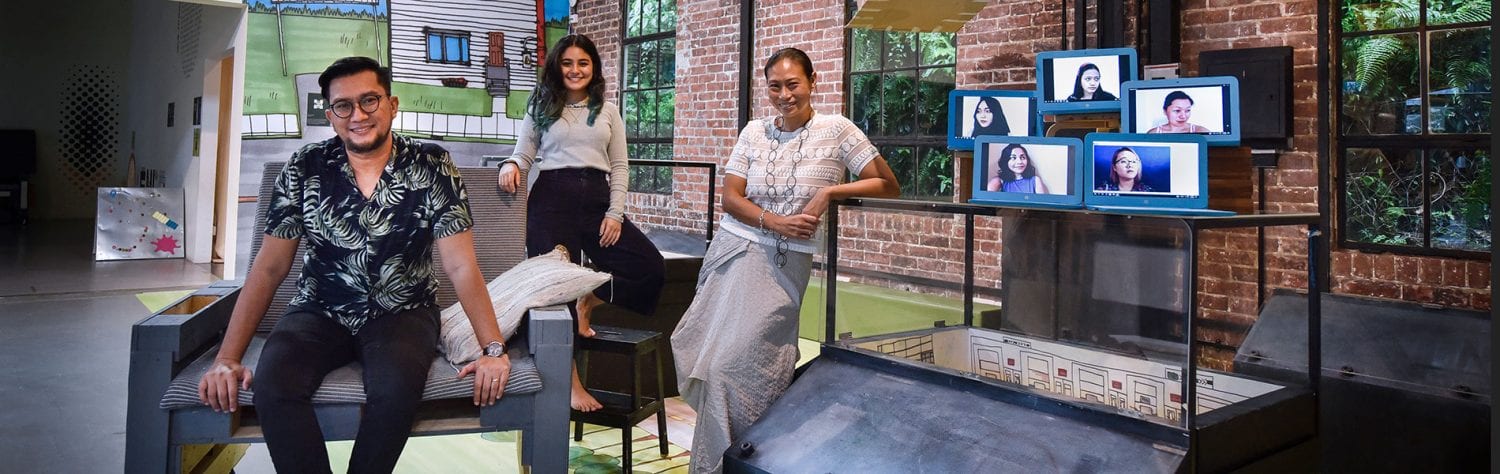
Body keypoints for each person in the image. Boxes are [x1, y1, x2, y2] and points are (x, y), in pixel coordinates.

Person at [197, 56, 512, 473]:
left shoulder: (433, 165)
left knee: (396, 389)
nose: (358, 115)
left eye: (369, 101)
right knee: (273, 387)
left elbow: (461, 267)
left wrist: (493, 349)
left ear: (392, 104)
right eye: (343, 106)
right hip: (318, 308)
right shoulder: (304, 167)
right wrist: (227, 358)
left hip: (403, 311)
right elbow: (269, 268)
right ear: (330, 115)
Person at [672, 47, 900, 474]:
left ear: (813, 81)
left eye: (792, 84)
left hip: (784, 266)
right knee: (713, 364)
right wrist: (775, 221)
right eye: (774, 86)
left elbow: (887, 183)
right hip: (735, 251)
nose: (784, 95)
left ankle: (739, 461)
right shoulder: (754, 132)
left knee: (737, 366)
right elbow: (731, 197)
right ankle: (721, 463)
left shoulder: (838, 129)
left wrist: (831, 192)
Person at [497, 34, 666, 413]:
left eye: (583, 63)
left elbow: (620, 166)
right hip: (551, 200)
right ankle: (572, 383)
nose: (575, 70)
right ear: (557, 67)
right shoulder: (542, 105)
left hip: (596, 199)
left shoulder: (607, 110)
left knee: (649, 266)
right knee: (556, 293)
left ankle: (592, 296)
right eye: (568, 63)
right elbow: (523, 153)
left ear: (594, 68)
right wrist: (510, 165)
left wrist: (615, 212)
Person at [985, 143, 1050, 194]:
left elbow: (1041, 204)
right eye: (1013, 158)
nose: (1019, 162)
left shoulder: (1035, 180)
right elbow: (986, 196)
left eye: (1022, 157)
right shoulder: (1000, 180)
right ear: (1006, 161)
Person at [1146, 90, 1211, 133]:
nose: (1183, 116)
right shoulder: (1154, 133)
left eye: (1187, 110)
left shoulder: (1200, 131)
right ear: (1165, 111)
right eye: (1177, 110)